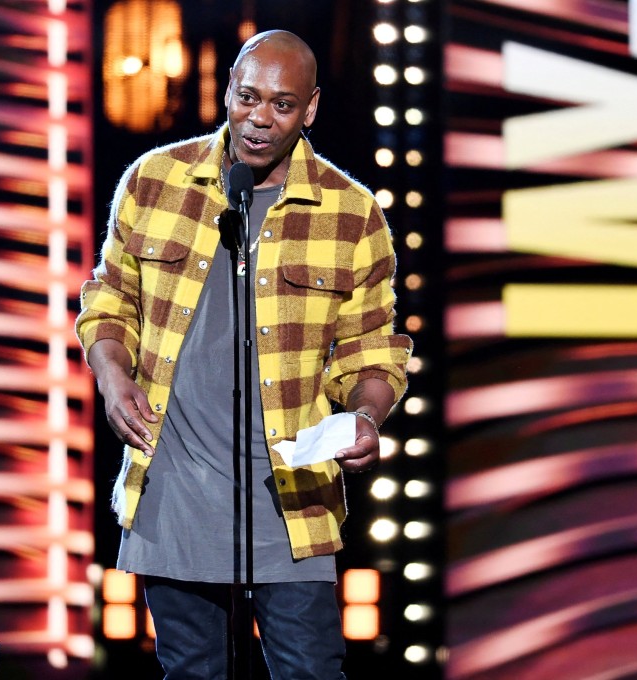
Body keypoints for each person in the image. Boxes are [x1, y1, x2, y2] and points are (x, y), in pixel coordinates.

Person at [77, 29, 412, 679]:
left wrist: (366, 417)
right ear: (227, 88)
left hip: (291, 500)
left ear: (310, 109)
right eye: (248, 97)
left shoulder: (352, 213)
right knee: (192, 672)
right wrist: (113, 376)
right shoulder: (154, 182)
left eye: (282, 105)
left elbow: (373, 350)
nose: (259, 118)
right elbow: (108, 302)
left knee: (311, 672)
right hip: (175, 489)